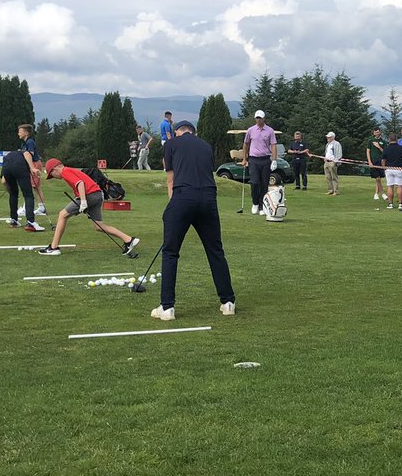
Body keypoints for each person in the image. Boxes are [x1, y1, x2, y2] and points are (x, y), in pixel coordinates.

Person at [151, 119, 237, 320]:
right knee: (215, 251)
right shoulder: (207, 146)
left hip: (183, 197)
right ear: (194, 133)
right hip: (208, 198)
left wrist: (171, 210)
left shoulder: (171, 144)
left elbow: (171, 180)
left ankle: (167, 307)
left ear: (177, 132)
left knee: (171, 252)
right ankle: (228, 302)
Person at [38, 158, 140, 256]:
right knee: (99, 226)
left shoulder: (65, 171)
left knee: (62, 215)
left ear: (55, 168)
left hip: (89, 195)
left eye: (52, 174)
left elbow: (80, 183)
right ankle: (129, 240)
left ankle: (54, 248)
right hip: (97, 195)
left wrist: (83, 202)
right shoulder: (70, 170)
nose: (53, 176)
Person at [242, 110, 278, 215]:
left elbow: (273, 145)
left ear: (264, 118)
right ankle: (255, 203)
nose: (258, 120)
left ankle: (262, 206)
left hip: (265, 159)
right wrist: (244, 159)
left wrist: (274, 160)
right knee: (254, 182)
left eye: (260, 118)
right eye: (257, 118)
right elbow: (245, 144)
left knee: (264, 184)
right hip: (253, 159)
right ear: (255, 119)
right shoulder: (251, 130)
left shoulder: (270, 131)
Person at [0, 145, 42, 231]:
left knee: (13, 195)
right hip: (19, 168)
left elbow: (3, 181)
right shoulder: (23, 152)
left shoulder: (7, 157)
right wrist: (32, 168)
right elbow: (27, 153)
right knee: (28, 195)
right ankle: (31, 223)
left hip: (8, 168)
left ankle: (14, 221)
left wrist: (9, 190)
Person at [18, 124, 46, 215]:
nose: (18, 133)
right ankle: (40, 207)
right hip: (31, 165)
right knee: (34, 187)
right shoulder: (24, 143)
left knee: (33, 187)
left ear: (26, 133)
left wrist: (31, 167)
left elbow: (30, 154)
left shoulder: (30, 142)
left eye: (20, 131)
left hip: (34, 165)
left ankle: (29, 208)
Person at [381, 132, 402, 208]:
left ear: (389, 139)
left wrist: (384, 167)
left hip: (389, 169)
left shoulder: (386, 149)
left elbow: (383, 160)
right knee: (399, 186)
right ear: (397, 139)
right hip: (398, 168)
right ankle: (400, 204)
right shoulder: (401, 148)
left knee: (390, 186)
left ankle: (390, 203)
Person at [367, 127, 386, 201]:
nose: (376, 133)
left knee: (379, 178)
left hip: (380, 161)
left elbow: (384, 152)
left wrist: (378, 147)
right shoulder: (370, 140)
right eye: (375, 132)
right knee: (377, 178)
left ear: (380, 132)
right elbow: (368, 151)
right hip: (373, 161)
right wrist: (369, 161)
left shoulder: (383, 141)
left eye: (378, 132)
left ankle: (376, 193)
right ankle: (382, 193)